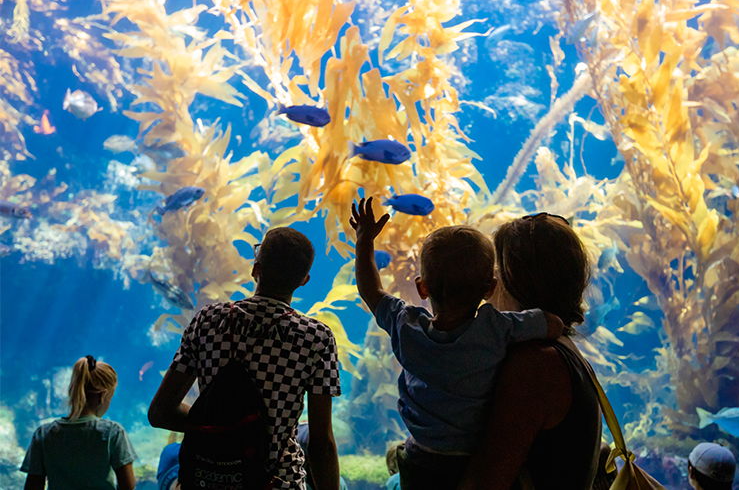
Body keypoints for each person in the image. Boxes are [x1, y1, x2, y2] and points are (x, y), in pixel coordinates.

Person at [350, 198, 564, 490]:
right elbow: (552, 324)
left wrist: (364, 241)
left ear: (422, 288)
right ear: (490, 288)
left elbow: (370, 289)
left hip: (419, 457)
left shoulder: (406, 326)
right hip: (471, 461)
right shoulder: (496, 328)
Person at [148, 227, 342, 490]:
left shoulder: (208, 320)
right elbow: (322, 444)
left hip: (210, 479)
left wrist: (220, 429)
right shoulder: (316, 338)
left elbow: (160, 412)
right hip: (277, 482)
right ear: (304, 280)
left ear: (255, 269)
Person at [458, 213, 603, 490]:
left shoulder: (537, 364)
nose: (486, 290)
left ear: (515, 280)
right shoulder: (563, 350)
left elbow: (484, 482)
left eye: (492, 274)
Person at [20, 355, 137, 490]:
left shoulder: (43, 434)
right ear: (103, 395)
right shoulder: (113, 432)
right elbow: (128, 485)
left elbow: (33, 486)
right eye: (110, 397)